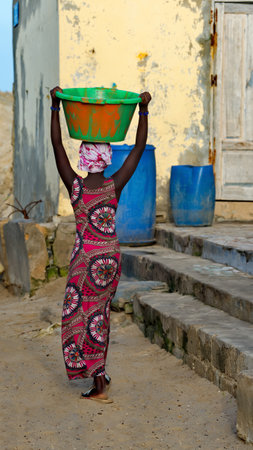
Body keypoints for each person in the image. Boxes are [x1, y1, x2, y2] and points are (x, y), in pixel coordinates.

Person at [50, 86, 151, 403]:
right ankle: (100, 372)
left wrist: (55, 107)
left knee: (78, 316)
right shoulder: (114, 184)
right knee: (101, 314)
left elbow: (56, 145)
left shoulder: (76, 188)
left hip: (86, 260)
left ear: (83, 158)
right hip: (110, 258)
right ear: (106, 158)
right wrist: (143, 111)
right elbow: (137, 149)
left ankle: (97, 382)